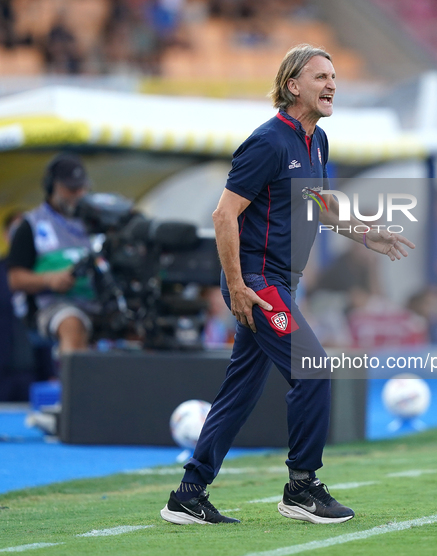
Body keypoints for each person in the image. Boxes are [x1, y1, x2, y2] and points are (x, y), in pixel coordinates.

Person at [160, 44, 415, 526]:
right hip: (259, 284)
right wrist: (237, 285)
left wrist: (367, 234)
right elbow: (223, 215)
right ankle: (301, 487)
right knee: (314, 367)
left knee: (239, 393)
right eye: (321, 76)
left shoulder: (316, 141)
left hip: (282, 284)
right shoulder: (268, 142)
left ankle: (188, 493)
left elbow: (319, 204)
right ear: (293, 86)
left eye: (335, 76)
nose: (332, 84)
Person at [7, 153, 98, 357]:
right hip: (49, 307)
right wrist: (49, 280)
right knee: (72, 324)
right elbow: (13, 279)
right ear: (51, 187)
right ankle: (74, 385)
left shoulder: (95, 223)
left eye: (83, 188)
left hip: (97, 303)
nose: (79, 194)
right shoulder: (31, 225)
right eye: (72, 189)